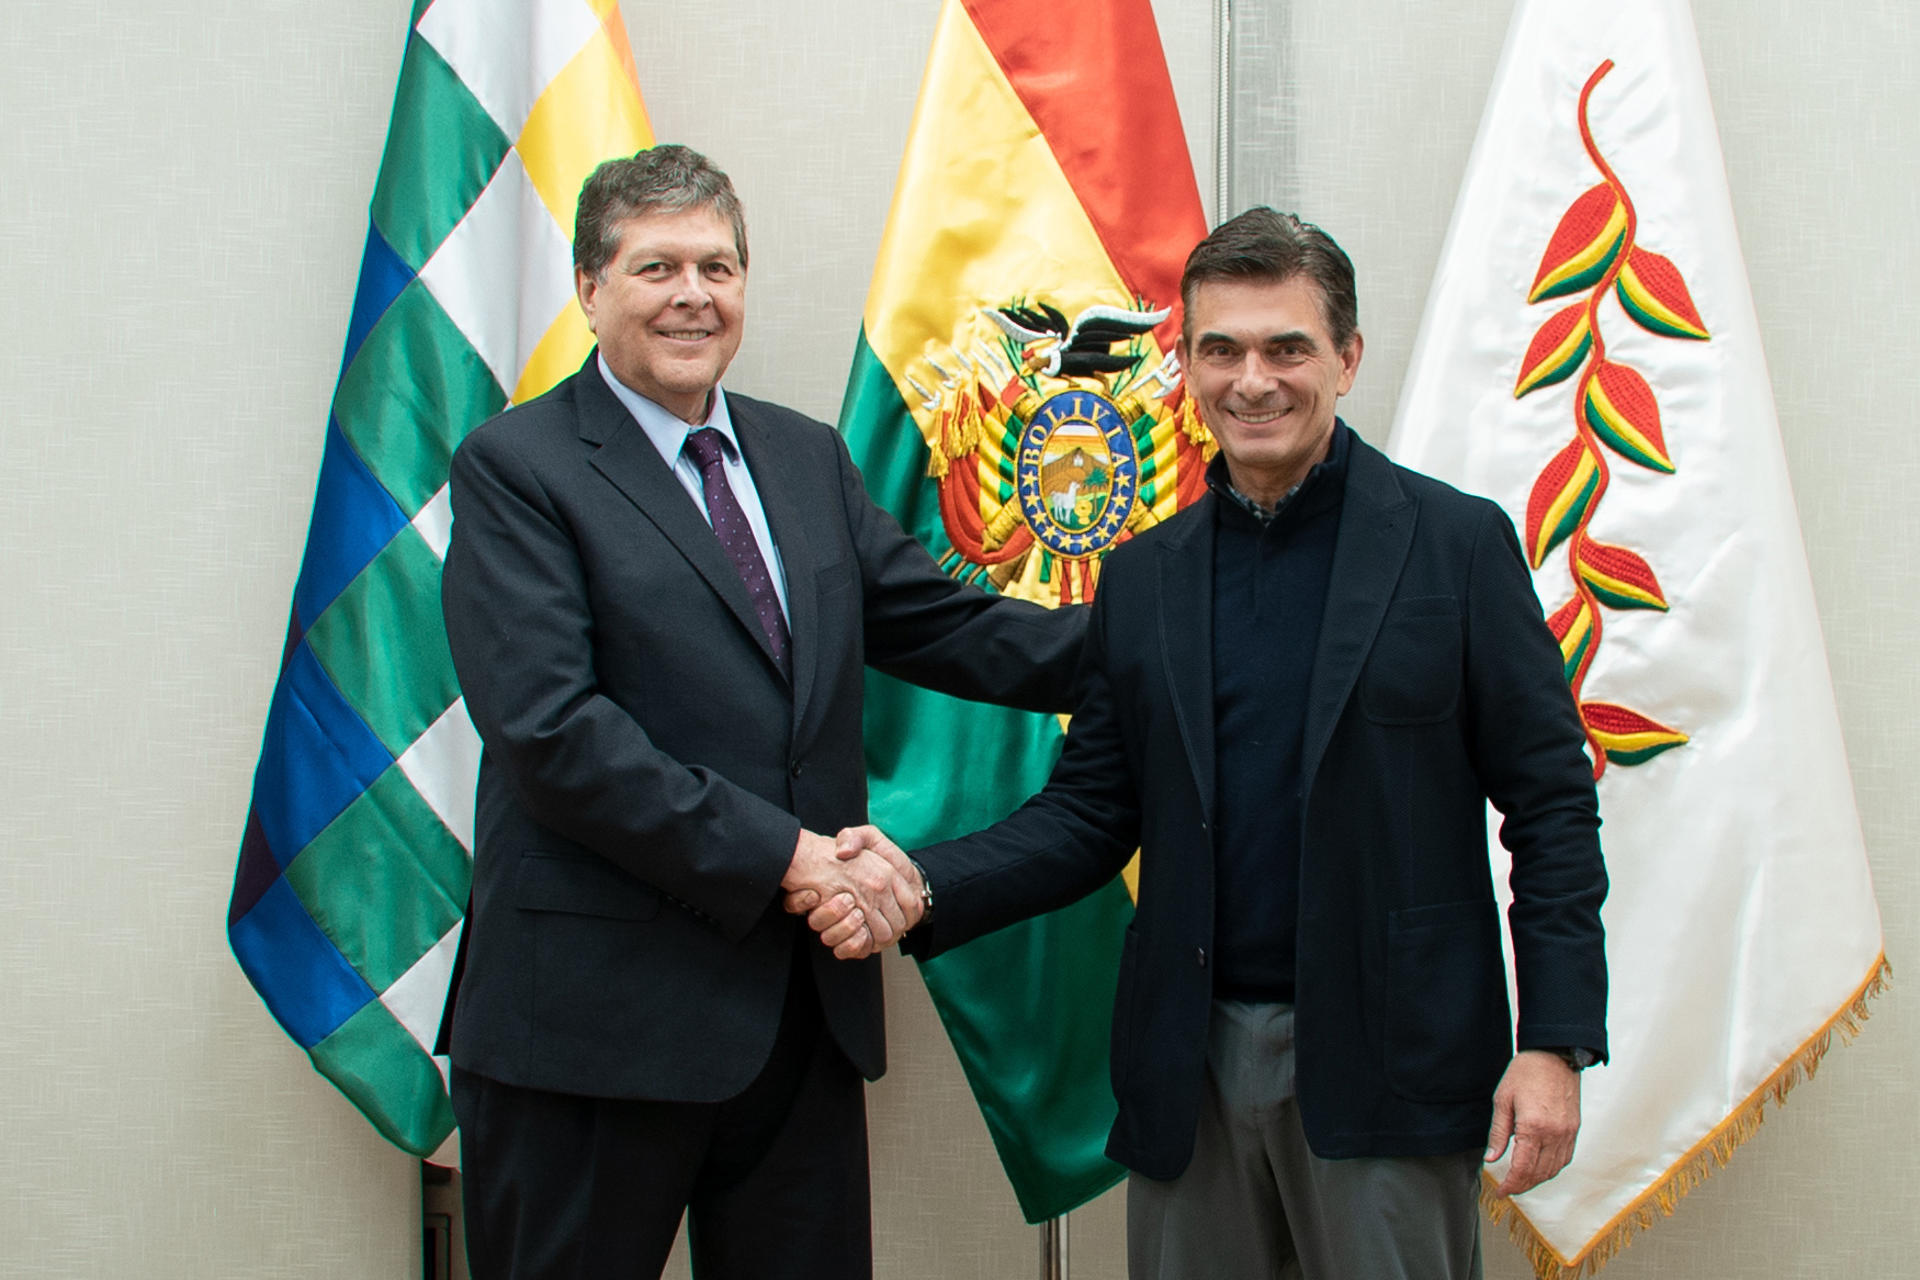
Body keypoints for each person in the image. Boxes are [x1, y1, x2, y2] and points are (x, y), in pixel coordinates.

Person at [803, 208, 1608, 1279]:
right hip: (1193, 1066)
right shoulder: (1145, 576)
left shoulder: (1456, 546)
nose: (1253, 379)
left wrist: (1555, 1041)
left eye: (1288, 347)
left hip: (1393, 1062)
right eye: (1220, 348)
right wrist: (921, 882)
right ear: (1182, 363)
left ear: (1348, 358)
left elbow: (1551, 802)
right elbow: (1090, 812)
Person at [436, 144, 1082, 1280]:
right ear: (590, 291)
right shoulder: (519, 466)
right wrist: (787, 855)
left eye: (719, 266)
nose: (695, 293)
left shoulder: (802, 455)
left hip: (798, 1025)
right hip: (590, 1034)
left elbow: (950, 626)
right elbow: (553, 733)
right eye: (657, 268)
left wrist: (1182, 650)